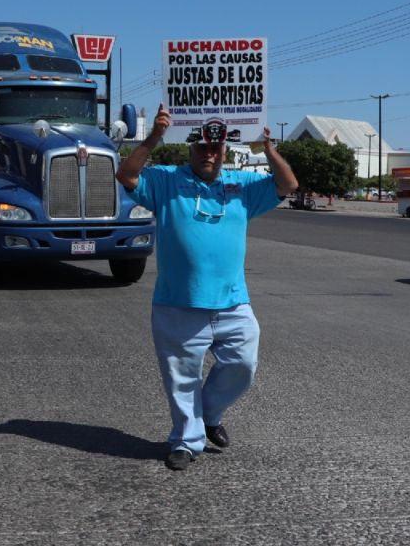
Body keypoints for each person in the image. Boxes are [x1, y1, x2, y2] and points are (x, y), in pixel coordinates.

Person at [115, 106, 298, 471]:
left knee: (243, 365)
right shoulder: (166, 180)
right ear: (189, 149)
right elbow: (127, 175)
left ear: (225, 151)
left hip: (232, 302)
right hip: (177, 303)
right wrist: (153, 137)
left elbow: (288, 185)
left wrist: (268, 148)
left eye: (215, 148)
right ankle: (185, 440)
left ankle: (208, 414)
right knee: (182, 378)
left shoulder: (242, 185)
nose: (209, 154)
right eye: (201, 147)